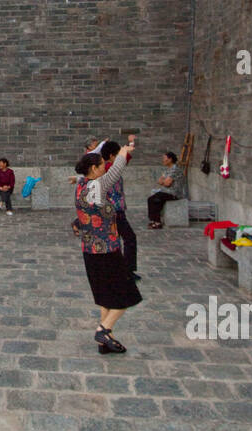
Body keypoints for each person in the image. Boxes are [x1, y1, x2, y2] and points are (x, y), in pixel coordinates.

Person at [72, 139, 140, 355]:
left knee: (105, 297)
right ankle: (103, 330)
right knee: (126, 295)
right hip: (107, 251)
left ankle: (106, 342)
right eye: (102, 165)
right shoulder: (96, 186)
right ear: (93, 168)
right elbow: (116, 172)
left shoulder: (81, 185)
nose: (105, 167)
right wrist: (123, 152)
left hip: (90, 250)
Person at [100, 139, 140, 281]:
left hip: (110, 210)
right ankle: (126, 270)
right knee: (129, 238)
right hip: (115, 210)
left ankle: (116, 270)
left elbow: (125, 158)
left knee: (115, 240)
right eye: (117, 155)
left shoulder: (103, 167)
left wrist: (130, 144)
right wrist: (129, 145)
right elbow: (124, 159)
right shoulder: (110, 167)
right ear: (111, 156)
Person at [148, 151, 186, 228]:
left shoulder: (175, 170)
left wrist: (164, 182)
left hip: (174, 193)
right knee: (152, 199)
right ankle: (154, 220)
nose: (163, 160)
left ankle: (157, 222)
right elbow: (159, 180)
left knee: (154, 199)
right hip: (166, 192)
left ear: (170, 159)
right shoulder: (168, 170)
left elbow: (167, 183)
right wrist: (164, 181)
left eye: (164, 158)